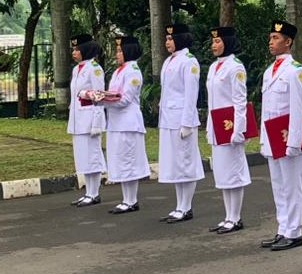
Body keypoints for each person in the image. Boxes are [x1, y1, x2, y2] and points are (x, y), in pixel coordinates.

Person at [259, 20, 302, 251]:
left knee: (292, 186)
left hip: (288, 137)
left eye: (276, 38)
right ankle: (283, 228)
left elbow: (298, 110)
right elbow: (266, 109)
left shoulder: (296, 71)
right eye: (270, 37)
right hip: (272, 136)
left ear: (288, 42)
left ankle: (294, 231)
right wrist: (263, 139)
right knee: (279, 186)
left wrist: (294, 142)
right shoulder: (269, 71)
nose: (271, 42)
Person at [204, 26, 251, 234]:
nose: (214, 45)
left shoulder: (235, 67)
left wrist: (239, 130)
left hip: (230, 126)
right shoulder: (214, 67)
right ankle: (227, 216)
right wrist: (209, 128)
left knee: (234, 172)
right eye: (213, 42)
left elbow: (240, 101)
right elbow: (211, 102)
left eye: (218, 41)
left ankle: (236, 217)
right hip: (217, 126)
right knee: (222, 173)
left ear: (228, 42)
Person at [158, 23, 204, 223]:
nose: (167, 42)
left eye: (171, 38)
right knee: (176, 164)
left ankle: (187, 207)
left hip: (182, 119)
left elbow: (191, 94)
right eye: (167, 38)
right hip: (169, 119)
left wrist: (187, 123)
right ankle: (179, 205)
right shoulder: (169, 61)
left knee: (186, 163)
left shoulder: (189, 61)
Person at [99, 35, 150, 213]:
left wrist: (102, 100)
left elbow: (125, 99)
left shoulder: (133, 71)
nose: (117, 54)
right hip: (116, 122)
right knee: (120, 160)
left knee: (129, 161)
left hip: (128, 123)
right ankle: (126, 199)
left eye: (120, 51)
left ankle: (131, 200)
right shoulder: (118, 71)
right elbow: (113, 94)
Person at [68, 33, 107, 207]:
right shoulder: (76, 69)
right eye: (73, 49)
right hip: (78, 119)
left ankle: (94, 193)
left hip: (90, 118)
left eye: (77, 49)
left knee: (93, 156)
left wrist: (97, 123)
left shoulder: (94, 68)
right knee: (83, 156)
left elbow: (99, 96)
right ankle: (88, 192)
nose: (74, 52)